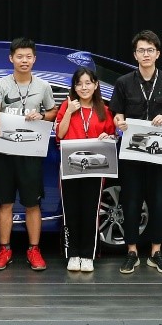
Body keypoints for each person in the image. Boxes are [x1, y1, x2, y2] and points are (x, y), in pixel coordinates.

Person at [110, 30, 162, 274]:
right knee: (131, 202)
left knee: (158, 202)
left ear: (157, 54)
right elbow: (117, 113)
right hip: (131, 152)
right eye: (141, 50)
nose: (146, 54)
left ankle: (156, 252)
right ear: (135, 54)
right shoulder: (123, 82)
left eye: (150, 50)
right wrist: (119, 121)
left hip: (160, 152)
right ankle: (132, 251)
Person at [0, 37, 59, 271]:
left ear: (34, 59)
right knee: (5, 203)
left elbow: (53, 112)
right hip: (5, 152)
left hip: (30, 153)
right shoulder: (0, 84)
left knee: (32, 203)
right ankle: (4, 249)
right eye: (19, 56)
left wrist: (42, 116)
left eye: (28, 56)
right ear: (11, 58)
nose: (24, 60)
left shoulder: (43, 86)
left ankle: (34, 249)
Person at [54, 65, 117, 273]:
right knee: (70, 211)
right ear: (74, 87)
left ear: (96, 85)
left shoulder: (104, 110)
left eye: (88, 83)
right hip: (70, 167)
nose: (84, 87)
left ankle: (88, 255)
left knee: (90, 211)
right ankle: (72, 254)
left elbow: (112, 136)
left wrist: (108, 137)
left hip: (95, 170)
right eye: (79, 84)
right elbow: (60, 134)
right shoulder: (67, 106)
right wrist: (69, 112)